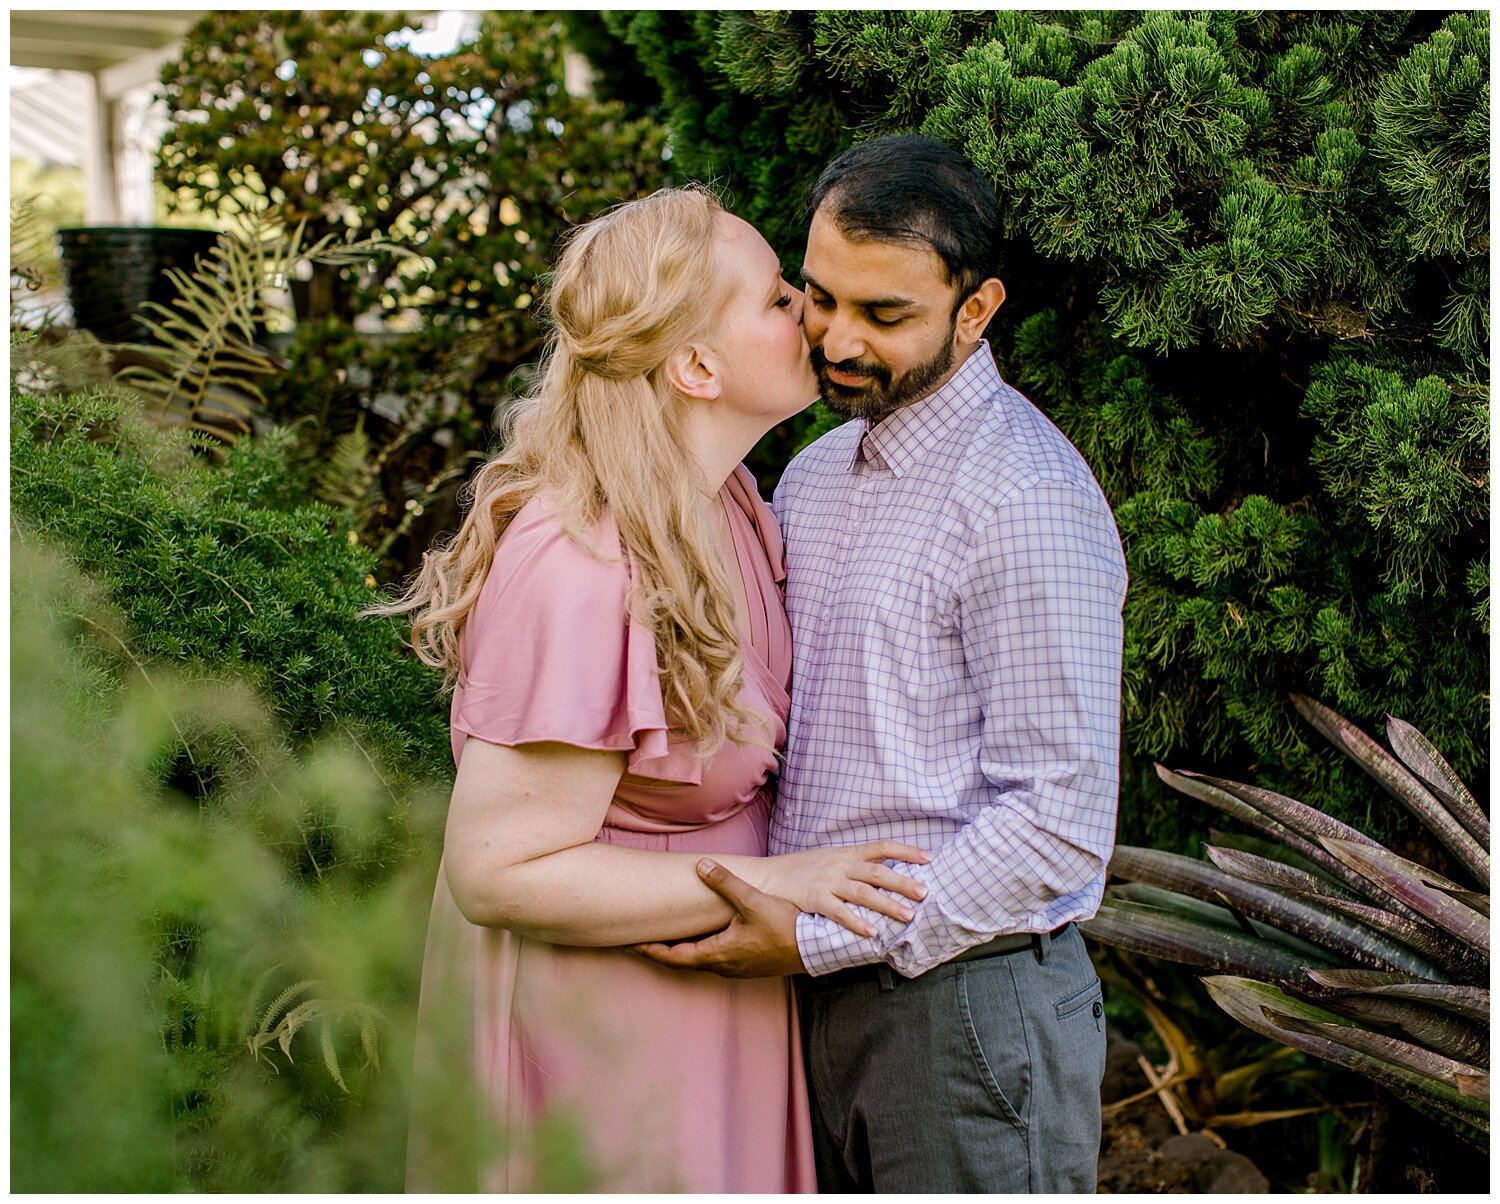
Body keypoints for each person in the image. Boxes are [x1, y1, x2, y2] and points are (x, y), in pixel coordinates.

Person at [379, 186, 930, 1193]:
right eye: (777, 299)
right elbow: (498, 872)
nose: (810, 315)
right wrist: (780, 883)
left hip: (707, 1000)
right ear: (695, 366)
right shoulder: (581, 560)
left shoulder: (731, 506)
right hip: (598, 1032)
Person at [635, 136, 1129, 1191]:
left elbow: (1059, 818)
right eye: (819, 297)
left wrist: (814, 935)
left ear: (977, 308)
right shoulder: (811, 474)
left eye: (885, 315)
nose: (837, 338)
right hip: (805, 1005)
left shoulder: (1023, 497)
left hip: (965, 1012)